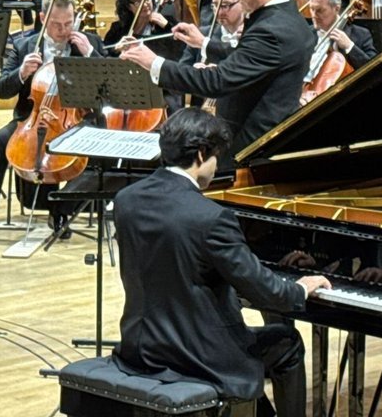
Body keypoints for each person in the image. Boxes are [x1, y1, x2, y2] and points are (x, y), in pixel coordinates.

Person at [112, 108, 330, 417]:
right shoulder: (211, 218)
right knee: (288, 342)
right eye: (216, 157)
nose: (217, 167)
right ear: (202, 154)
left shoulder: (126, 200)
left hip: (140, 347)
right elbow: (266, 291)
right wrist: (300, 288)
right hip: (197, 356)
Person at [120, 0, 314, 167]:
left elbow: (216, 83)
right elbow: (249, 57)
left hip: (247, 150)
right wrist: (202, 43)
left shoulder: (270, 30)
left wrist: (154, 62)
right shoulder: (290, 19)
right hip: (265, 139)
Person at [0, 0, 104, 247]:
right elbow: (1, 90)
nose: (63, 30)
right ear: (42, 18)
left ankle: (61, 211)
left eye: (68, 23)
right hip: (32, 119)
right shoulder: (23, 45)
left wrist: (91, 53)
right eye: (56, 24)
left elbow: (108, 86)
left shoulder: (89, 42)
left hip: (74, 120)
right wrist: (21, 73)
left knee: (90, 146)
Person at [307, 0, 376, 69]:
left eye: (320, 10)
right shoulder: (304, 34)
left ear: (336, 8)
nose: (313, 15)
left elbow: (374, 69)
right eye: (311, 9)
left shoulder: (361, 35)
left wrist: (349, 46)